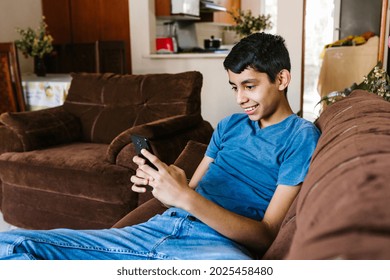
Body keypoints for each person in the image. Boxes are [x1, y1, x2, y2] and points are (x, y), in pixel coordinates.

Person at [0, 32, 320, 260]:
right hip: (160, 227)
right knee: (11, 245)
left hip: (215, 248)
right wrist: (164, 181)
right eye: (235, 87)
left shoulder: (300, 136)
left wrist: (185, 197)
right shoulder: (228, 126)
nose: (240, 99)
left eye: (250, 86)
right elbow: (192, 190)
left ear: (281, 79)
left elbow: (266, 234)